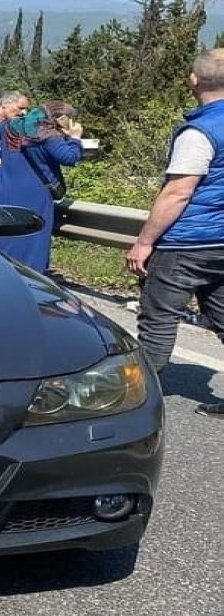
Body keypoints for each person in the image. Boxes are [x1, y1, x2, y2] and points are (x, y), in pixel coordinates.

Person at [125, 48, 224, 416]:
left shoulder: (199, 132)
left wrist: (144, 242)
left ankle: (137, 404)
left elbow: (179, 191)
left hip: (188, 243)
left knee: (159, 318)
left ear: (194, 81)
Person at [0, 100, 83, 273]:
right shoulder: (48, 135)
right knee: (31, 236)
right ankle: (29, 275)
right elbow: (69, 157)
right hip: (33, 191)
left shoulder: (12, 125)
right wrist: (75, 138)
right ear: (59, 117)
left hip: (3, 185)